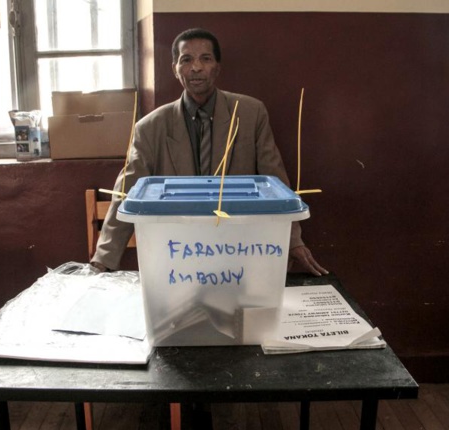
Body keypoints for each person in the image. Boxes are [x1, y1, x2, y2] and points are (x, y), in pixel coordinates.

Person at [90, 28, 327, 276]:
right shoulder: (150, 128)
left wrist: (292, 240)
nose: (196, 67)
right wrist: (104, 259)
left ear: (217, 67)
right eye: (186, 59)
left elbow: (275, 183)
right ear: (175, 68)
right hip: (177, 254)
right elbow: (126, 192)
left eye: (205, 58)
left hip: (239, 249)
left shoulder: (250, 113)